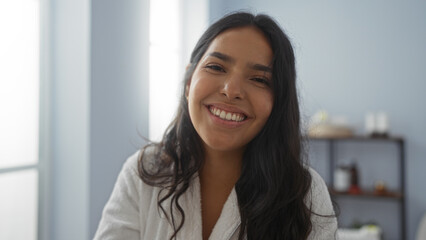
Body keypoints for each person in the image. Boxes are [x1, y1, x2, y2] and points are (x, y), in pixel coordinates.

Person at [94, 12, 337, 240]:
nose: (231, 90)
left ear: (279, 101)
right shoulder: (143, 172)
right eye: (216, 67)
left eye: (259, 79)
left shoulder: (306, 194)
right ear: (189, 83)